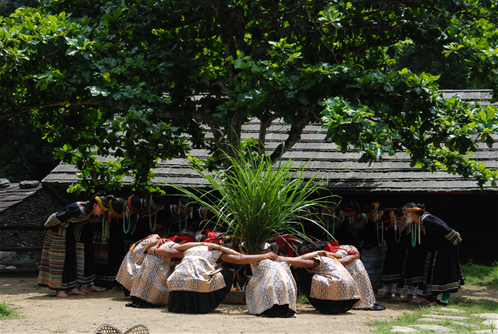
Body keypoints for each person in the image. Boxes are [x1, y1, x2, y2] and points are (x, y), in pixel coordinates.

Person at [167, 237, 278, 314]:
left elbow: (177, 248)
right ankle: (207, 306)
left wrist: (201, 243)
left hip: (176, 282)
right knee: (227, 272)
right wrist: (264, 256)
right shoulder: (215, 251)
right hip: (195, 281)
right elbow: (238, 257)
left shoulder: (191, 248)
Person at [38, 193, 108, 298]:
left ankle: (70, 288)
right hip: (58, 233)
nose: (101, 213)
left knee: (71, 260)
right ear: (95, 206)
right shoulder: (78, 209)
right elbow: (57, 217)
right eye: (101, 210)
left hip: (70, 233)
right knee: (60, 261)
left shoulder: (89, 212)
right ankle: (59, 290)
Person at [128, 230, 219, 308]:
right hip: (152, 277)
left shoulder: (164, 242)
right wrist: (202, 244)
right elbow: (172, 252)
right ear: (184, 242)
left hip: (141, 284)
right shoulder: (171, 244)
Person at [397, 203, 463, 306]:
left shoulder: (426, 219)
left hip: (446, 249)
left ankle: (442, 301)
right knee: (436, 273)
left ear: (412, 213)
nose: (405, 218)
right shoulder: (422, 221)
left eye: (406, 215)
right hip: (439, 249)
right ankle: (436, 299)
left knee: (443, 273)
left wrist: (455, 237)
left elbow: (443, 227)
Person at [285, 243, 360, 314]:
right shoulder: (334, 258)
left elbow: (304, 262)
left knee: (307, 278)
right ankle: (340, 307)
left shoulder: (319, 259)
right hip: (350, 294)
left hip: (338, 286)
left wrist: (284, 259)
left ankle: (324, 308)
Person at [313, 240, 386, 310]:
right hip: (356, 272)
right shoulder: (345, 247)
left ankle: (361, 303)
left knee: (359, 289)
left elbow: (343, 259)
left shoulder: (340, 252)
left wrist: (324, 258)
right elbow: (350, 246)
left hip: (355, 273)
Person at [244, 244, 298, 318]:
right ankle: (285, 311)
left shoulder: (259, 262)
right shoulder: (283, 261)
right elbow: (302, 259)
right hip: (287, 287)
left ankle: (269, 310)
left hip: (269, 288)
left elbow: (242, 259)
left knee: (262, 285)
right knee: (280, 284)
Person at [360, 202, 386, 295]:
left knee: (377, 270)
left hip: (378, 249)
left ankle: (375, 290)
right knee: (366, 270)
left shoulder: (385, 221)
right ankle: (367, 289)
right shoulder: (367, 222)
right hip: (367, 247)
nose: (371, 218)